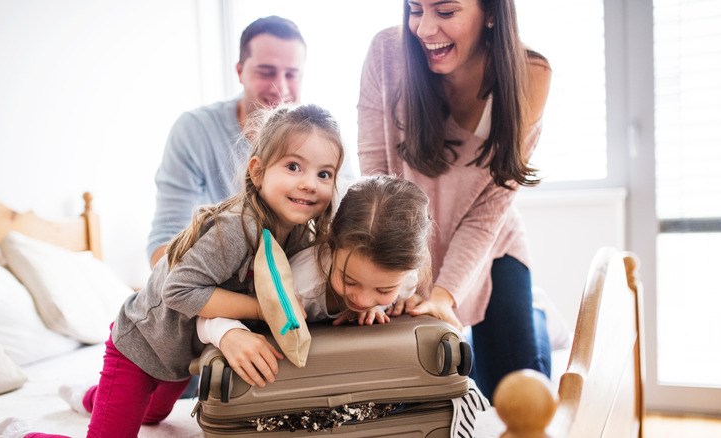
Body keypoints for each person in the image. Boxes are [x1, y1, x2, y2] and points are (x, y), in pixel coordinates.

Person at [0, 103, 345, 438]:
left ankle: (89, 398)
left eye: (324, 173)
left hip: (182, 355)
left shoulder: (299, 233)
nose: (309, 183)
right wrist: (262, 308)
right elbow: (179, 291)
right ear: (258, 171)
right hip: (140, 345)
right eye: (294, 167)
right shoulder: (237, 228)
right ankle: (18, 432)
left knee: (153, 418)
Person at [356, 0, 553, 399]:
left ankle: (537, 312)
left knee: (515, 391)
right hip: (408, 242)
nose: (425, 29)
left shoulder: (529, 75)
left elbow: (488, 213)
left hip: (490, 245)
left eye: (446, 12)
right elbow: (376, 178)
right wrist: (396, 275)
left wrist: (444, 295)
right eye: (415, 9)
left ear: (492, 13)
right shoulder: (387, 54)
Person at [196, 175, 433, 387]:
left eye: (384, 289)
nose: (362, 299)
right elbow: (204, 313)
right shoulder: (301, 285)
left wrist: (386, 305)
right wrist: (228, 333)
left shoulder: (406, 279)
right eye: (349, 281)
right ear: (332, 243)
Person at [147, 15, 308, 269]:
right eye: (266, 72)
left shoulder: (321, 137)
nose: (280, 87)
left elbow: (347, 219)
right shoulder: (194, 131)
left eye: (291, 74)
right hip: (215, 285)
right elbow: (164, 246)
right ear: (240, 72)